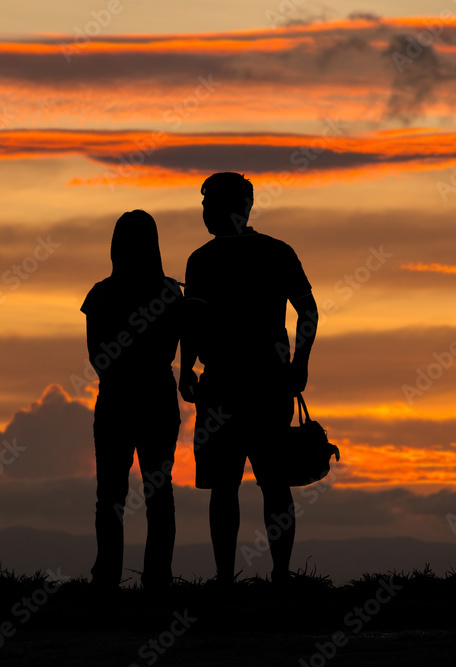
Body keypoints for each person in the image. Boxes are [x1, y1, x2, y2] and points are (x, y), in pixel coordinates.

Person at [179, 172, 318, 585]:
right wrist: (300, 364)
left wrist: (187, 369)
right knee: (271, 484)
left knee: (229, 486)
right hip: (264, 383)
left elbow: (192, 321)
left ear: (233, 208)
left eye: (209, 205)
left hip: (225, 385)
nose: (204, 212)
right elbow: (308, 311)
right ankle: (277, 576)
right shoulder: (275, 252)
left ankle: (229, 579)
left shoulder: (202, 260)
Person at [81, 210, 183, 590]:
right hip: (157, 395)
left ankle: (106, 576)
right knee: (159, 489)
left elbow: (97, 356)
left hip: (115, 397)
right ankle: (158, 577)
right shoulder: (171, 292)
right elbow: (177, 343)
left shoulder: (101, 294)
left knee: (110, 493)